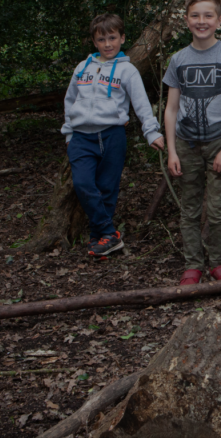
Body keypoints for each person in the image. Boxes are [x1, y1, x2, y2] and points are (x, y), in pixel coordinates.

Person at [163, 0, 221, 285]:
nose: (202, 21)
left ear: (219, 20)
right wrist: (172, 151)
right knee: (189, 208)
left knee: (217, 209)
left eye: (208, 15)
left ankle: (218, 263)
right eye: (196, 16)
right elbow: (171, 109)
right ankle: (193, 264)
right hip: (186, 144)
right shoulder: (178, 60)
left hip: (218, 143)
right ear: (187, 20)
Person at [62, 14, 165, 259]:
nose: (107, 44)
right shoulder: (82, 67)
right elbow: (70, 100)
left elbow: (141, 104)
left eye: (112, 38)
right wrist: (69, 133)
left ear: (122, 38)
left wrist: (151, 132)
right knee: (83, 184)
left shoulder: (127, 70)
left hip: (112, 136)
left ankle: (100, 239)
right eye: (101, 39)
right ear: (94, 42)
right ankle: (109, 233)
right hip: (81, 138)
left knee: (107, 189)